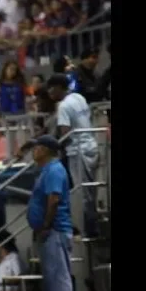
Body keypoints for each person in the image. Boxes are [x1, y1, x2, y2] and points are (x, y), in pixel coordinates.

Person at [25, 135, 79, 291]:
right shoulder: (46, 170)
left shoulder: (54, 170)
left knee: (58, 274)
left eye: (37, 147)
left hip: (55, 229)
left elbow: (54, 199)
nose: (34, 151)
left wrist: (46, 225)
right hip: (49, 231)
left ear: (45, 150)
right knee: (51, 275)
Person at [47, 73, 99, 238]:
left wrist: (53, 148)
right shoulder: (78, 97)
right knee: (91, 191)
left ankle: (88, 230)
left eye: (51, 88)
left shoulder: (63, 106)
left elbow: (65, 134)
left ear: (59, 88)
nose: (49, 92)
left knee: (81, 193)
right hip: (91, 146)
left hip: (78, 151)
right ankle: (92, 226)